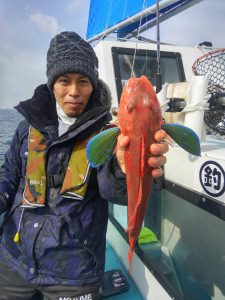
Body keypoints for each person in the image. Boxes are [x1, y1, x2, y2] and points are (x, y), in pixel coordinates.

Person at [0, 31, 168, 300]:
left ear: (93, 84)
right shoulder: (26, 128)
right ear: (52, 83)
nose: (74, 92)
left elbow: (114, 191)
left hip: (75, 270)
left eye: (83, 81)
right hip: (13, 257)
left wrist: (124, 168)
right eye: (64, 81)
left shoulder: (107, 132)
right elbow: (9, 176)